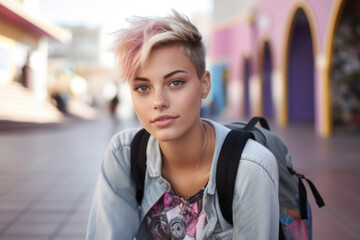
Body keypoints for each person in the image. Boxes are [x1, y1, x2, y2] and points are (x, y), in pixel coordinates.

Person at [87, 11, 279, 240]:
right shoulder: (124, 155)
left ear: (204, 84)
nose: (158, 102)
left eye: (175, 82)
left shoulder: (249, 168)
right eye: (143, 88)